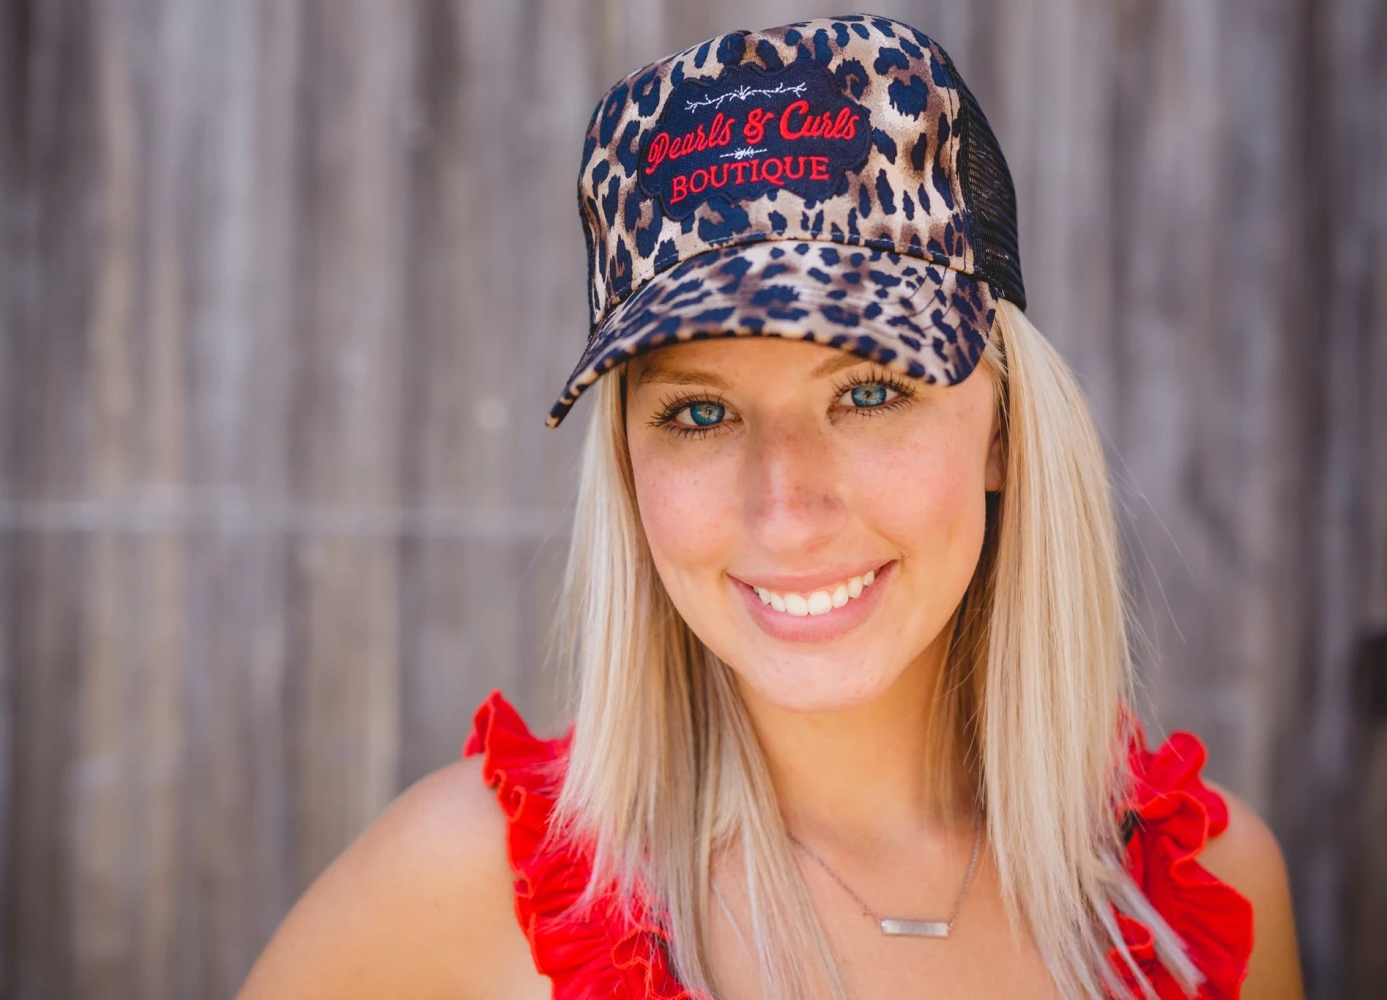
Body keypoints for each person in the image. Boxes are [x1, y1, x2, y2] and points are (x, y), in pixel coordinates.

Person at [238, 15, 1303, 999]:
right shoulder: (458, 892)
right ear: (626, 459)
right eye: (700, 413)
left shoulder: (1204, 897)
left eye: (870, 391)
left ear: (1005, 429)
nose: (787, 512)